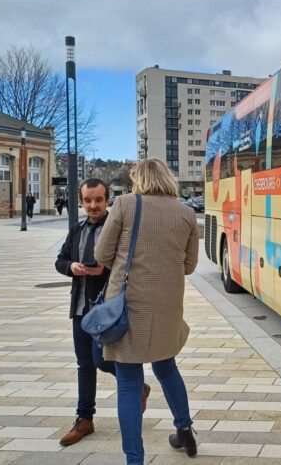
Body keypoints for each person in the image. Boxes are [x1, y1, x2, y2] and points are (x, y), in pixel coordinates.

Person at [95, 159, 199, 465]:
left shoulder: (125, 205)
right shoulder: (186, 213)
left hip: (127, 306)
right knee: (167, 367)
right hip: (167, 305)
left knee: (128, 381)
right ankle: (185, 429)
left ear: (138, 180)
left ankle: (134, 459)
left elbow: (101, 254)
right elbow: (190, 266)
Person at [53, 178, 150, 446]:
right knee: (84, 365)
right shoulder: (77, 229)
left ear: (107, 200)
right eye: (88, 200)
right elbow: (59, 260)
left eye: (98, 200)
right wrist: (71, 266)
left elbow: (129, 264)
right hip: (80, 307)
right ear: (81, 201)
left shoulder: (117, 228)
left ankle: (137, 386)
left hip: (108, 308)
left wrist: (102, 270)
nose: (93, 205)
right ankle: (84, 419)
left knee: (102, 360)